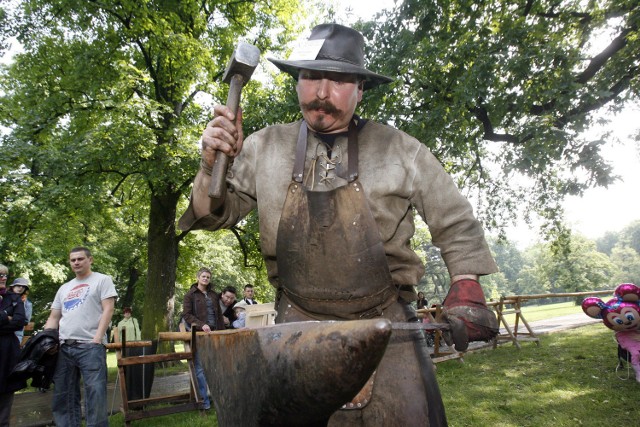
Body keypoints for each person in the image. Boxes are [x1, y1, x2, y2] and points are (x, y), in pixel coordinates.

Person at [179, 23, 498, 425]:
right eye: (311, 77)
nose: (322, 94)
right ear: (298, 82)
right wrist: (210, 166)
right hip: (297, 334)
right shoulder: (263, 147)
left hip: (388, 330)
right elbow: (212, 214)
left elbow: (455, 222)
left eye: (338, 81)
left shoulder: (401, 150)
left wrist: (465, 283)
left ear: (360, 88)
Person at [43, 247, 117, 427]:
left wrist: (97, 338)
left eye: (80, 259)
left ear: (90, 260)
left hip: (90, 346)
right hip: (64, 348)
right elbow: (54, 317)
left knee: (95, 394)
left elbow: (109, 309)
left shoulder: (102, 280)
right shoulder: (64, 287)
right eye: (73, 260)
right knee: (63, 395)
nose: (76, 262)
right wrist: (45, 342)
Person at [182, 267, 225, 410]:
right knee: (200, 368)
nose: (206, 279)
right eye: (203, 276)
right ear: (198, 277)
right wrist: (202, 325)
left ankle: (218, 400)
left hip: (215, 333)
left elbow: (218, 315)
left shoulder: (213, 295)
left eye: (208, 277)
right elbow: (187, 315)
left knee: (217, 366)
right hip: (199, 334)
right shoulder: (190, 295)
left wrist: (222, 333)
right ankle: (204, 402)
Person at [0, 263, 27, 426]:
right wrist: (5, 316)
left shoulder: (14, 298)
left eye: (5, 275)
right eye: (0, 275)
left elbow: (19, 322)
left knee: (6, 389)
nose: (3, 278)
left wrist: (7, 319)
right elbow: (12, 320)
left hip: (7, 350)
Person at [11, 278, 33, 345]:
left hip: (17, 331)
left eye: (23, 286)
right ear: (13, 286)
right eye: (18, 285)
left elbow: (26, 321)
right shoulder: (5, 298)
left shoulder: (27, 304)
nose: (20, 288)